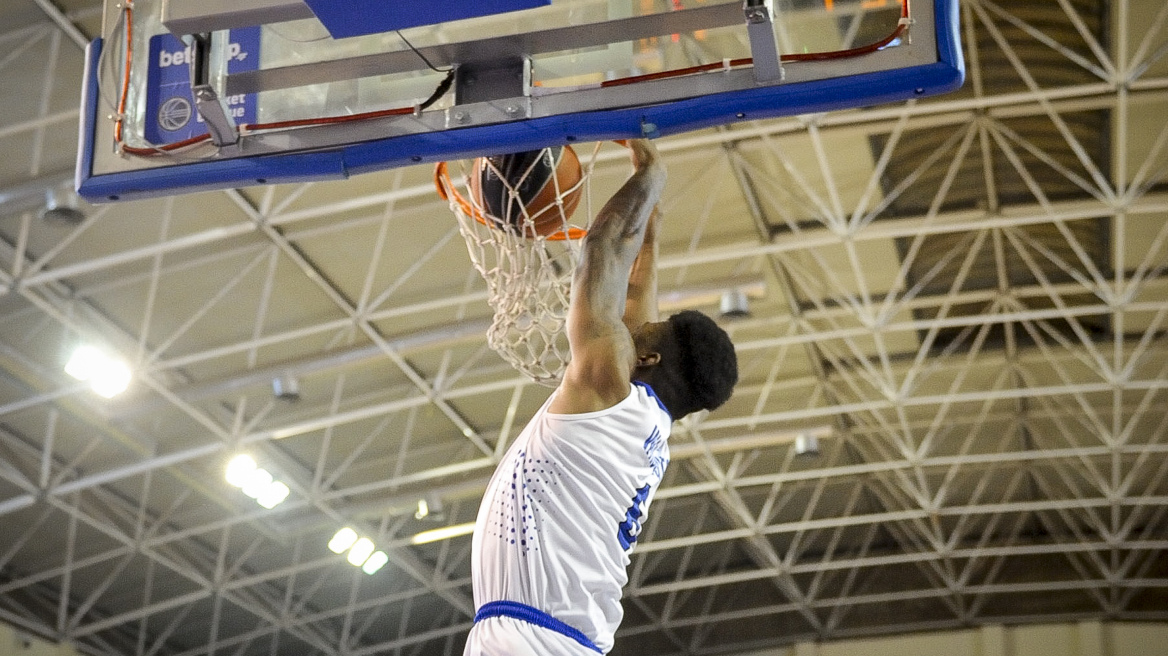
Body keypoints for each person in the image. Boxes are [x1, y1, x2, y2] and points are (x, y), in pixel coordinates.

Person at [463, 139, 739, 655]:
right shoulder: (639, 421)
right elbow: (636, 301)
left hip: (538, 639)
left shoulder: (610, 391)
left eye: (648, 330)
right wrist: (650, 231)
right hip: (549, 640)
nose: (637, 324)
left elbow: (603, 248)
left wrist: (651, 174)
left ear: (648, 359)